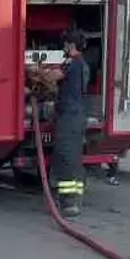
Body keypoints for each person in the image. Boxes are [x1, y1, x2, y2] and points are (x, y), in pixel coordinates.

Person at [47, 30, 90, 217]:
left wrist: (35, 70)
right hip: (78, 116)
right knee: (74, 157)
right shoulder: (83, 64)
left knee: (65, 156)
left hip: (69, 116)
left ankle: (69, 203)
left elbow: (53, 77)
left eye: (65, 45)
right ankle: (75, 200)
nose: (63, 48)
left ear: (71, 45)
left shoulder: (72, 62)